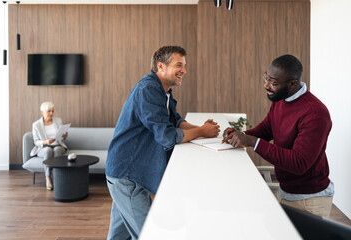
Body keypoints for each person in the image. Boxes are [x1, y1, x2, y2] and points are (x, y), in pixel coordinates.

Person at [105, 46, 220, 240]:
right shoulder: (148, 89)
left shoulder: (162, 90)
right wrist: (200, 131)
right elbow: (166, 136)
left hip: (128, 173)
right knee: (146, 235)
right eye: (179, 65)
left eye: (184, 65)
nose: (184, 70)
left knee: (118, 236)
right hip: (127, 175)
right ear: (161, 66)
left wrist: (202, 130)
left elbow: (175, 121)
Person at [222, 54, 334, 218]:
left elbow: (299, 162)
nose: (266, 85)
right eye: (266, 78)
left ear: (292, 84)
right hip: (286, 191)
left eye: (273, 82)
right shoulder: (281, 99)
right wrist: (240, 135)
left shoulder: (315, 113)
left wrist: (253, 142)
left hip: (310, 200)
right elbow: (267, 129)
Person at [31, 101, 68, 191]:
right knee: (48, 150)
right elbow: (36, 142)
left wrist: (64, 136)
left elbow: (61, 137)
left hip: (57, 145)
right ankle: (48, 177)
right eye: (49, 111)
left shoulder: (58, 121)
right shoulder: (36, 125)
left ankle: (58, 176)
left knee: (57, 149)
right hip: (44, 147)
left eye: (52, 111)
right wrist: (46, 142)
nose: (51, 113)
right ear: (42, 112)